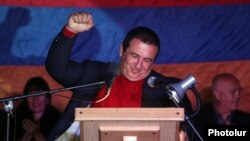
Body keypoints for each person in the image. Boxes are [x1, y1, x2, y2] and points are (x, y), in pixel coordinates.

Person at [45, 11, 194, 141]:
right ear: (122, 50)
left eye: (147, 60)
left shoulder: (165, 90)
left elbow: (191, 131)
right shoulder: (95, 73)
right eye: (135, 56)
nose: (139, 65)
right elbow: (57, 69)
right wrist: (70, 31)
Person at [192, 73, 250, 141]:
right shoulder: (197, 121)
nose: (238, 96)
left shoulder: (246, 120)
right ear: (217, 95)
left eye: (239, 91)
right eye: (233, 91)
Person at [14, 77, 61, 141]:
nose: (35, 99)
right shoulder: (17, 118)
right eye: (31, 94)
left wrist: (36, 133)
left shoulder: (58, 120)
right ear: (25, 99)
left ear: (47, 99)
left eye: (40, 94)